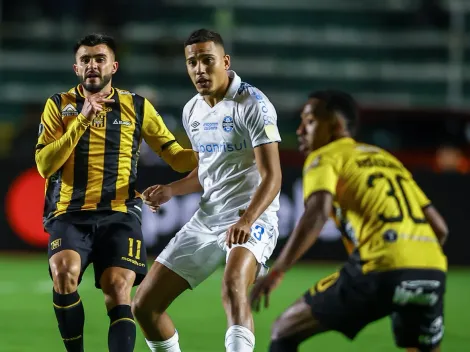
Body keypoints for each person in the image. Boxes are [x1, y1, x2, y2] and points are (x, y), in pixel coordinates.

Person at [250, 90, 448, 352]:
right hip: (433, 270)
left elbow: (317, 214)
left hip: (380, 267)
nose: (300, 130)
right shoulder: (386, 159)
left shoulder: (325, 157)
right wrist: (412, 269)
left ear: (336, 124)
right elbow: (440, 228)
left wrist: (277, 271)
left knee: (284, 330)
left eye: (309, 121)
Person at [35, 33, 197, 352]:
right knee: (64, 275)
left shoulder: (137, 106)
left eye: (100, 59)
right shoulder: (59, 105)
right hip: (69, 213)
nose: (92, 65)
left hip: (120, 213)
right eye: (85, 60)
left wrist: (214, 150)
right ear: (76, 68)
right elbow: (44, 164)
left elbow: (176, 157)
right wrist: (82, 119)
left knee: (118, 288)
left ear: (114, 66)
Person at [132, 28, 283, 352]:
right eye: (192, 62)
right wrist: (172, 190)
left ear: (225, 62)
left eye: (207, 60)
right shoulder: (192, 111)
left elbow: (273, 176)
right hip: (208, 218)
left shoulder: (252, 104)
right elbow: (207, 172)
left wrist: (246, 220)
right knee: (144, 305)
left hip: (251, 215)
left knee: (232, 286)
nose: (199, 69)